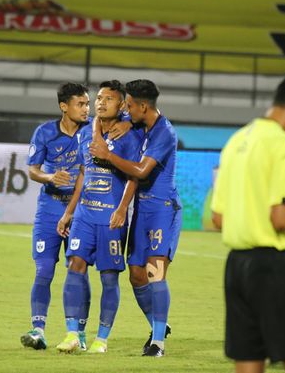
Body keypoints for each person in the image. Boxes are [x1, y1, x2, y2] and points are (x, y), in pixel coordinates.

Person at [211, 73, 285, 373]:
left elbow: (218, 218)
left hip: (237, 267)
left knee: (249, 360)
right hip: (276, 267)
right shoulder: (284, 145)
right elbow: (279, 218)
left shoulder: (236, 140)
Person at [21, 82, 133, 351]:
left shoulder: (94, 128)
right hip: (50, 208)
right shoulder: (45, 132)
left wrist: (127, 123)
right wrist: (50, 177)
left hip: (84, 209)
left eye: (87, 103)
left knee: (79, 268)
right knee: (45, 269)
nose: (87, 108)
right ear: (64, 106)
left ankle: (79, 333)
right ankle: (38, 330)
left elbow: (129, 113)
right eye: (81, 104)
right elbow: (32, 170)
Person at [89, 79, 179, 357]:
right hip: (141, 210)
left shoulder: (164, 133)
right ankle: (159, 325)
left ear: (142, 106)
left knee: (155, 271)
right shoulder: (140, 121)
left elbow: (140, 171)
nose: (125, 110)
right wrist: (98, 133)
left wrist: (106, 154)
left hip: (162, 209)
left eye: (129, 105)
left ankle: (158, 344)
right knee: (137, 276)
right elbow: (99, 118)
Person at [54, 80, 141, 354]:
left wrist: (121, 210)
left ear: (122, 105)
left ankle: (101, 338)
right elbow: (83, 173)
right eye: (99, 98)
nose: (101, 102)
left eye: (109, 99)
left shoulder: (130, 135)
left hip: (111, 218)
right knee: (74, 265)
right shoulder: (85, 133)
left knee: (108, 278)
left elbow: (134, 177)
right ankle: (72, 334)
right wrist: (69, 212)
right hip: (84, 216)